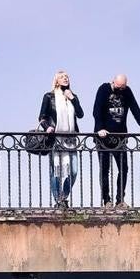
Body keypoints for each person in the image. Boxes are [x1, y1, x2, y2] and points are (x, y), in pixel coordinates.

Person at [92, 74, 140, 208]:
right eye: (118, 87)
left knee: (124, 168)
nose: (120, 90)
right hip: (103, 138)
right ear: (113, 81)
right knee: (104, 169)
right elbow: (96, 110)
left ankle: (120, 200)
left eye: (123, 88)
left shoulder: (127, 91)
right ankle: (106, 200)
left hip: (120, 138)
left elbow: (135, 110)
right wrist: (100, 128)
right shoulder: (103, 89)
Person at [39, 70, 83, 208]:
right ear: (57, 81)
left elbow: (81, 114)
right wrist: (47, 127)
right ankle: (58, 200)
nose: (65, 79)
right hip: (55, 139)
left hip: (71, 140)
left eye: (67, 77)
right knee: (56, 171)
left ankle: (64, 194)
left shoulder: (72, 96)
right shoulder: (49, 96)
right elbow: (42, 117)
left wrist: (73, 99)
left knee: (74, 171)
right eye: (62, 77)